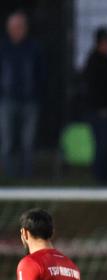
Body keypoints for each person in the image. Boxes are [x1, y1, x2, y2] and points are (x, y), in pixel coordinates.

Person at [0, 11, 44, 178]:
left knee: (28, 142)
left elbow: (41, 74)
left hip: (30, 101)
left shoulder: (34, 48)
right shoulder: (3, 48)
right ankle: (9, 176)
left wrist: (37, 93)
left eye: (21, 26)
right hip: (7, 99)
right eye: (14, 27)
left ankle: (27, 176)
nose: (18, 30)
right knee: (7, 142)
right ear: (8, 28)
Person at [82, 27, 107, 185]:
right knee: (102, 147)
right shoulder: (94, 61)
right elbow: (94, 89)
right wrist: (101, 108)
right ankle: (100, 180)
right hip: (99, 113)